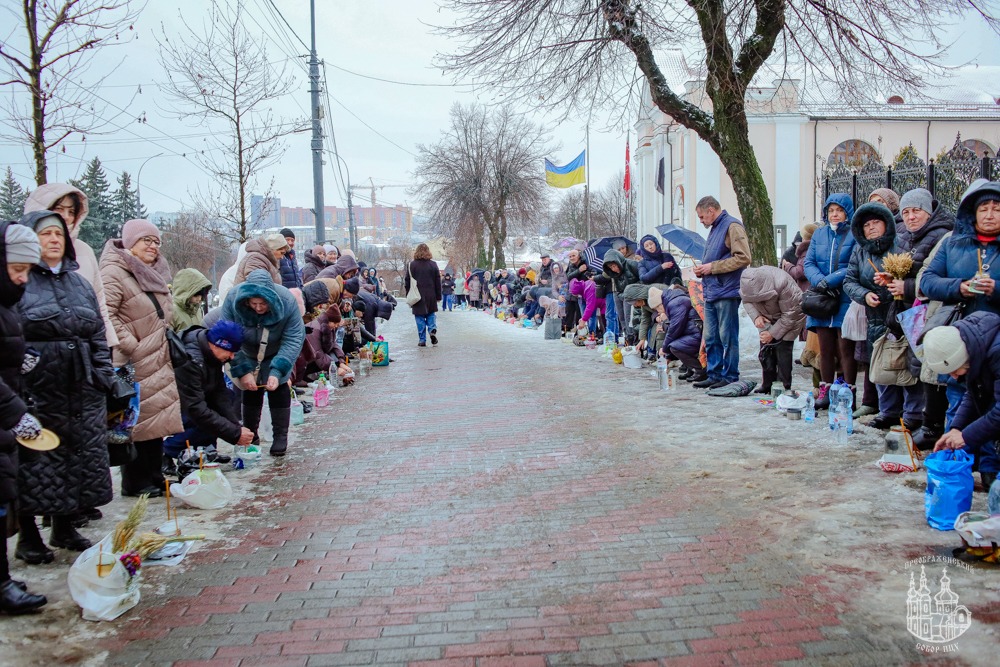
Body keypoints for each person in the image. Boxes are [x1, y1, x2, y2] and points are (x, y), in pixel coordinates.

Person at [15, 210, 117, 559]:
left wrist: (103, 373)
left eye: (59, 233)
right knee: (34, 463)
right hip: (38, 390)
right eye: (45, 233)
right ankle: (29, 536)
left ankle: (64, 526)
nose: (54, 239)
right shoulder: (20, 281)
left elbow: (97, 333)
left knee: (75, 458)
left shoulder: (79, 284)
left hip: (82, 388)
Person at [100, 219, 183, 497]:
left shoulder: (152, 272)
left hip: (157, 355)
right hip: (132, 359)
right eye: (146, 240)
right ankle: (135, 481)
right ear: (129, 242)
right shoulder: (114, 271)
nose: (153, 246)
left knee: (155, 417)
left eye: (156, 241)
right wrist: (131, 343)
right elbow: (106, 314)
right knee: (135, 421)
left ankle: (154, 475)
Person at [921, 180, 1000, 432]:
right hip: (959, 343)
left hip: (995, 347)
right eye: (983, 209)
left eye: (997, 209)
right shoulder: (952, 243)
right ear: (973, 213)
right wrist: (960, 287)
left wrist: (995, 288)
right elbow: (927, 281)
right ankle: (956, 452)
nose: (989, 215)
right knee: (958, 408)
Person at [0, 221, 48, 611]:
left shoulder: (7, 304)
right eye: (17, 268)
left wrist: (22, 360)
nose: (23, 278)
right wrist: (15, 413)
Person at [844, 203, 925, 429]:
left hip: (902, 312)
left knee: (907, 364)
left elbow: (915, 275)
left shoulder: (902, 245)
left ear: (886, 224)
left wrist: (896, 285)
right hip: (875, 317)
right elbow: (849, 281)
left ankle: (912, 413)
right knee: (881, 364)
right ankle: (888, 411)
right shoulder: (860, 251)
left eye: (875, 223)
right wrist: (864, 294)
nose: (871, 228)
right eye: (866, 225)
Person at [893, 188, 956, 443]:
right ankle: (925, 421)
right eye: (906, 212)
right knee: (921, 366)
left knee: (938, 368)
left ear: (929, 212)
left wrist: (906, 286)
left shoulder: (942, 235)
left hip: (940, 311)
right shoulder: (906, 236)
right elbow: (925, 274)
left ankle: (933, 425)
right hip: (917, 308)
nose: (910, 217)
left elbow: (930, 277)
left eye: (916, 211)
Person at [23, 183, 118, 348]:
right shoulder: (16, 254)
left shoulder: (85, 251)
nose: (66, 217)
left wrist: (107, 347)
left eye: (71, 212)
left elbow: (100, 305)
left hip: (83, 354)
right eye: (59, 209)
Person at [222, 269, 305, 456]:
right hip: (245, 351)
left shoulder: (287, 301)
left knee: (278, 386)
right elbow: (227, 337)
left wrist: (278, 371)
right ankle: (251, 434)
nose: (258, 308)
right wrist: (243, 370)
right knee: (250, 389)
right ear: (246, 301)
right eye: (254, 304)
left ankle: (280, 436)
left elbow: (293, 338)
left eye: (263, 304)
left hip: (276, 350)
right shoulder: (233, 299)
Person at [925, 312, 1000, 492]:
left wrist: (965, 437)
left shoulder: (996, 351)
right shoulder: (974, 347)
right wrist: (956, 428)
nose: (953, 377)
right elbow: (974, 394)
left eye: (953, 370)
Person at [163, 320, 254, 467]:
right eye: (230, 351)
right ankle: (166, 452)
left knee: (226, 400)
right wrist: (235, 434)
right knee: (202, 419)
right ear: (218, 344)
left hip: (192, 396)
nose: (232, 357)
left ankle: (207, 450)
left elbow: (219, 392)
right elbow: (195, 408)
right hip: (171, 401)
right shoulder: (191, 359)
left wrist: (235, 426)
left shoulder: (210, 351)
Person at [691, 196, 752, 390]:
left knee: (727, 336)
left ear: (711, 210)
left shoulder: (732, 226)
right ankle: (714, 374)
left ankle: (730, 375)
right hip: (712, 290)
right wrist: (704, 270)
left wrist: (712, 267)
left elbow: (743, 258)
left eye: (702, 216)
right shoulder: (716, 228)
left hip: (726, 291)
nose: (701, 221)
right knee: (711, 337)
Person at [804, 194, 858, 408]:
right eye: (831, 210)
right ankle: (825, 391)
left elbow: (853, 264)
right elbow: (809, 262)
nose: (835, 214)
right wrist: (820, 282)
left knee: (845, 348)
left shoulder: (854, 234)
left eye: (839, 210)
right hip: (822, 299)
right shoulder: (819, 234)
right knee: (825, 348)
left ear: (847, 212)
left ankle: (847, 392)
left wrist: (830, 281)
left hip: (844, 297)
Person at [739, 266, 805, 394]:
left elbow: (790, 315)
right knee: (766, 350)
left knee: (783, 351)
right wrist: (756, 316)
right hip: (767, 317)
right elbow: (746, 300)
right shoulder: (747, 285)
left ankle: (783, 386)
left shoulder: (782, 284)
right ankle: (767, 383)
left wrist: (772, 333)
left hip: (791, 316)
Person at [649, 282, 706, 380]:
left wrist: (664, 349)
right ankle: (691, 369)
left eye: (656, 309)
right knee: (675, 344)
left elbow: (674, 329)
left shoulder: (676, 303)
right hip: (693, 332)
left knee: (675, 347)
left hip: (697, 334)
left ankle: (699, 370)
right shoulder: (673, 302)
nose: (658, 312)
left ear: (659, 304)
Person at [406, 243, 442, 347]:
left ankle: (422, 340)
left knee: (419, 316)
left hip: (417, 294)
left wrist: (409, 294)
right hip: (431, 294)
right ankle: (432, 330)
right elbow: (438, 282)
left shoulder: (411, 265)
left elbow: (407, 281)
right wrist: (438, 296)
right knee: (431, 314)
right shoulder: (433, 265)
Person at [171, 268, 212, 333]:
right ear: (184, 293)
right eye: (196, 295)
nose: (199, 299)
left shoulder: (196, 309)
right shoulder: (171, 312)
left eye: (202, 295)